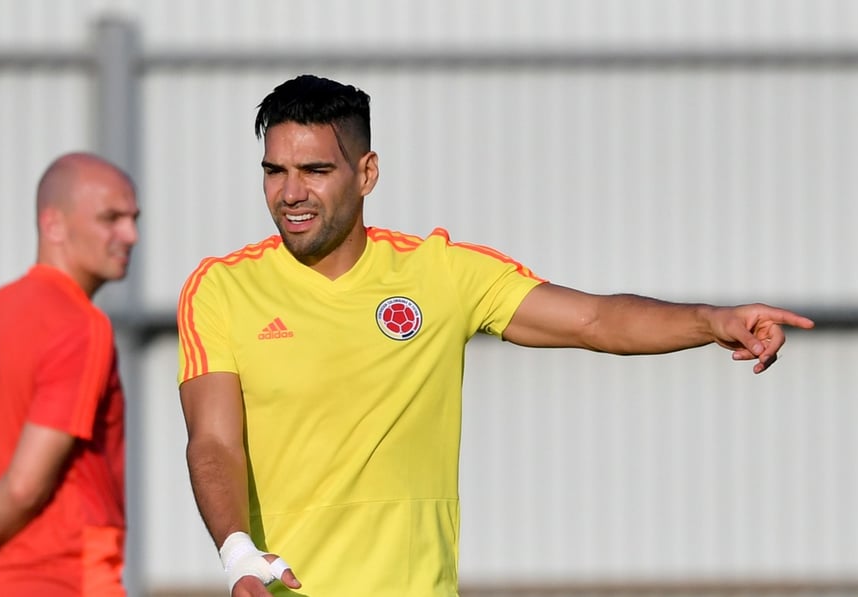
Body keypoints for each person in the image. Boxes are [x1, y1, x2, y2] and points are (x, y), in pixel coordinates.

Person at [176, 74, 815, 597]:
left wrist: (710, 321)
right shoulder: (221, 288)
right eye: (274, 171)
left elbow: (594, 320)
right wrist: (237, 555)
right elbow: (213, 443)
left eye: (314, 169)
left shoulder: (440, 273)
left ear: (366, 173)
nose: (290, 193)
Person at [0, 152, 140, 597]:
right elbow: (25, 484)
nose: (130, 235)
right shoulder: (82, 325)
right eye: (110, 218)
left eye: (134, 218)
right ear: (53, 224)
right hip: (66, 579)